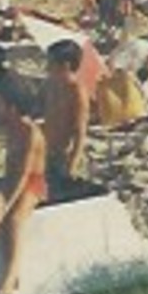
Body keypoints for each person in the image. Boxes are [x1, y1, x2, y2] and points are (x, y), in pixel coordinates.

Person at [0, 77, 47, 294]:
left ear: (12, 106)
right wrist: (2, 196)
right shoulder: (10, 128)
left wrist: (10, 202)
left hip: (32, 183)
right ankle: (11, 264)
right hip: (13, 181)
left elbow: (26, 173)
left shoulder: (31, 133)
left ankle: (10, 275)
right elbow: (10, 169)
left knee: (14, 219)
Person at [42, 39, 90, 197]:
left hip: (65, 156)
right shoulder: (51, 85)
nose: (47, 67)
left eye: (51, 63)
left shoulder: (76, 92)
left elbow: (80, 132)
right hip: (49, 152)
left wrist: (72, 164)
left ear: (66, 65)